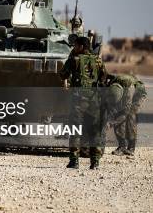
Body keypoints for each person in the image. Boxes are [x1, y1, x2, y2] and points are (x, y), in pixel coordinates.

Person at [59, 36, 107, 169]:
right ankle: (95, 162)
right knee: (94, 132)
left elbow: (62, 74)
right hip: (94, 101)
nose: (73, 48)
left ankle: (74, 161)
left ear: (81, 46)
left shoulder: (74, 60)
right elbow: (104, 78)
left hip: (78, 101)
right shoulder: (98, 60)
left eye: (75, 46)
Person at [104, 74, 147, 156]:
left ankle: (131, 147)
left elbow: (125, 113)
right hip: (123, 93)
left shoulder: (129, 91)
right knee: (117, 115)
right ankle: (122, 146)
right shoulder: (111, 86)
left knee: (130, 117)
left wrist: (110, 123)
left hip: (138, 95)